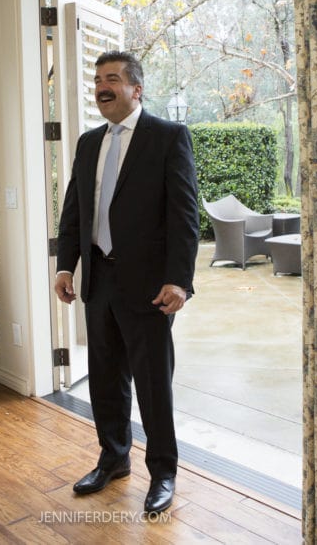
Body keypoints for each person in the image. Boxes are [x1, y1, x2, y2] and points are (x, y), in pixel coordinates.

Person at [54, 50, 199, 516]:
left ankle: (163, 472)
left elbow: (184, 215)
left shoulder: (168, 137)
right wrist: (65, 265)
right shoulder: (88, 143)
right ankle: (113, 458)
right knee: (105, 379)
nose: (102, 86)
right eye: (98, 79)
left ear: (137, 89)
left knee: (154, 384)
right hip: (98, 280)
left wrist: (180, 279)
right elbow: (75, 209)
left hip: (149, 287)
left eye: (112, 78)